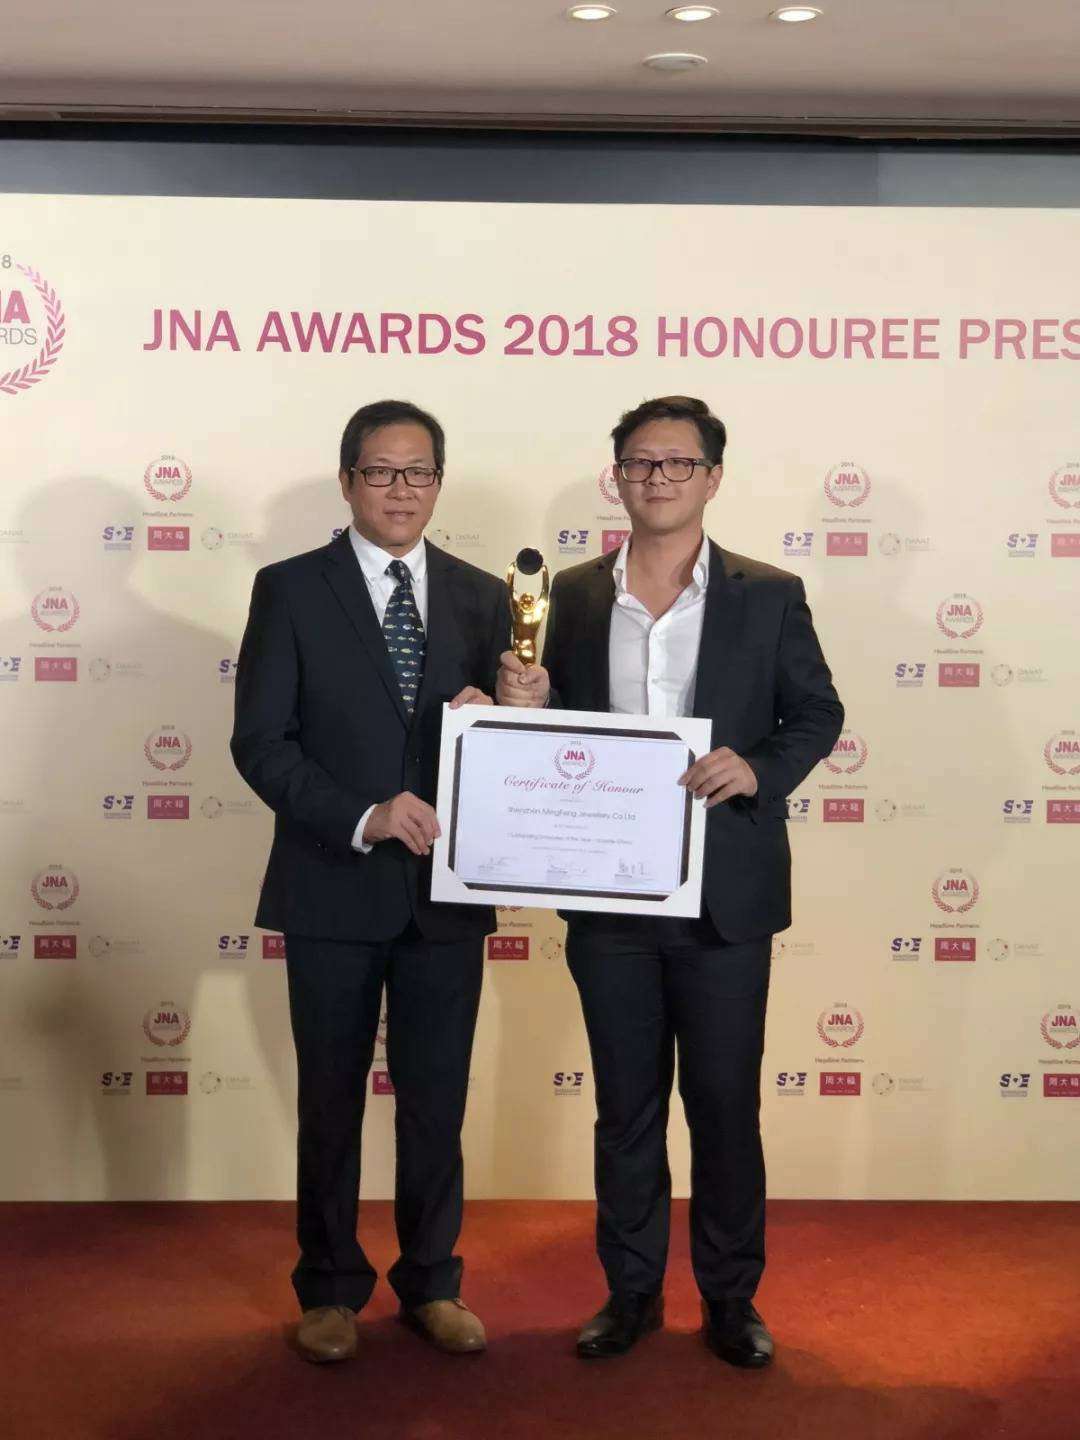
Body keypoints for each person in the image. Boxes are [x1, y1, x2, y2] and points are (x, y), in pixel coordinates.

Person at [496, 395, 843, 1367]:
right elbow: (545, 734)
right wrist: (527, 701)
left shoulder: (769, 594)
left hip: (725, 897)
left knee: (725, 1107)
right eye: (640, 462)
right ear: (617, 477)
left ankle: (731, 1298)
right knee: (626, 1108)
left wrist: (758, 769)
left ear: (713, 478)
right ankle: (632, 1291)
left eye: (678, 463)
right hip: (608, 894)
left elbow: (816, 714)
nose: (657, 478)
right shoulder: (564, 595)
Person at [232, 399, 509, 1363]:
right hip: (330, 885)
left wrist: (515, 708)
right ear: (348, 480)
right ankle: (329, 1287)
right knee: (331, 1099)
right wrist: (364, 815)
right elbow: (262, 743)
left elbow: (506, 746)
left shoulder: (483, 596)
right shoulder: (289, 589)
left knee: (437, 1100)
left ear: (439, 483)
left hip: (447, 893)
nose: (401, 490)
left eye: (419, 472)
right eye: (382, 472)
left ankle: (433, 1281)